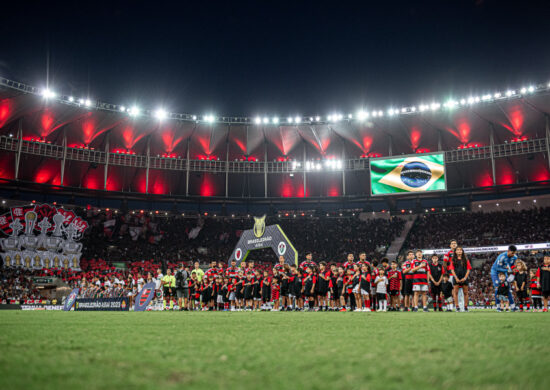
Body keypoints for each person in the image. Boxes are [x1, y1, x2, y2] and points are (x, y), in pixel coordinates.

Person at [490, 245, 518, 310]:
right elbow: (497, 268)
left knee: (508, 288)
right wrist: (508, 270)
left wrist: (513, 272)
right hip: (495, 272)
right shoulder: (501, 257)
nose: (513, 254)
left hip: (505, 271)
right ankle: (498, 307)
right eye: (512, 253)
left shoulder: (515, 257)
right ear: (508, 251)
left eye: (514, 253)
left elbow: (513, 266)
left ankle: (513, 307)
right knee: (497, 288)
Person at [448, 247, 472, 312]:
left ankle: (466, 307)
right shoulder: (453, 260)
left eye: (460, 250)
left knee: (465, 292)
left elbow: (468, 269)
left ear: (462, 251)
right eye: (458, 250)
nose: (459, 251)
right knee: (455, 292)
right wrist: (456, 278)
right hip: (456, 277)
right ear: (455, 251)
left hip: (464, 277)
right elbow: (452, 270)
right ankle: (457, 307)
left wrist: (465, 278)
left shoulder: (466, 260)